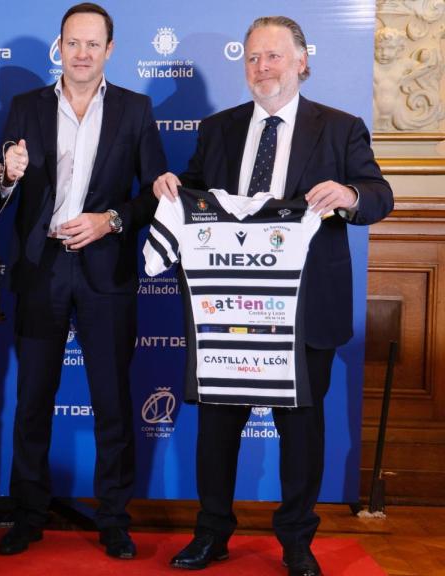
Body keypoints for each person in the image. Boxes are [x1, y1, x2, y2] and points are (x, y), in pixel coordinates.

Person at [152, 16, 393, 576]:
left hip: (305, 311)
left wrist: (350, 192)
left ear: (302, 61)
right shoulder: (217, 128)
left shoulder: (340, 127)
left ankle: (296, 542)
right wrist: (171, 190)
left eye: (274, 57)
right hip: (227, 311)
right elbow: (195, 195)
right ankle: (211, 533)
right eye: (254, 58)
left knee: (301, 435)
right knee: (216, 430)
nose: (262, 68)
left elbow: (379, 195)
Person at [0, 2, 167, 559]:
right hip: (41, 266)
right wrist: (7, 170)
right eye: (73, 42)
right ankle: (27, 514)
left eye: (94, 44)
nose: (83, 53)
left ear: (110, 51)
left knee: (113, 400)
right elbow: (2, 187)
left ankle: (113, 516)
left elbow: (153, 196)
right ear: (60, 47)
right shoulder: (24, 107)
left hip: (106, 269)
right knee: (32, 401)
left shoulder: (136, 111)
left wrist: (110, 220)